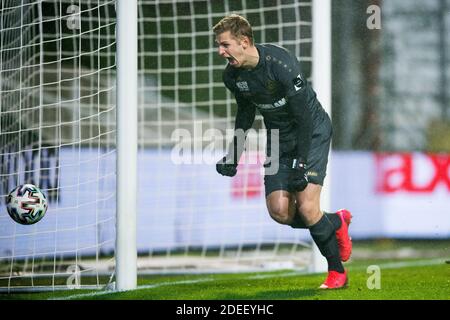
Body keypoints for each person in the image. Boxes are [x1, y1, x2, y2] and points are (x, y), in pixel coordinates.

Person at [213, 14, 352, 289]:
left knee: (308, 206)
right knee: (279, 211)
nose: (220, 51)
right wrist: (234, 155)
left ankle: (337, 272)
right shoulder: (232, 76)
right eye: (218, 45)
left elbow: (304, 117)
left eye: (225, 45)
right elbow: (244, 113)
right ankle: (336, 222)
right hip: (278, 139)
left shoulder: (280, 64)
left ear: (244, 41)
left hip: (311, 132)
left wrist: (301, 163)